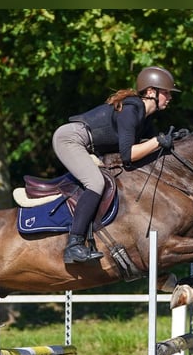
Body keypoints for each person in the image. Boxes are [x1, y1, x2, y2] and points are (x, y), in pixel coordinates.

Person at [53, 65, 180, 264]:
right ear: (150, 92)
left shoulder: (144, 119)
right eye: (166, 92)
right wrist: (158, 142)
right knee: (95, 183)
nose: (169, 97)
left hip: (87, 145)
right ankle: (74, 244)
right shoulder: (132, 110)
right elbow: (128, 155)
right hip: (71, 139)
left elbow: (152, 145)